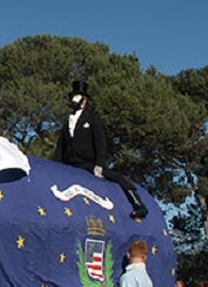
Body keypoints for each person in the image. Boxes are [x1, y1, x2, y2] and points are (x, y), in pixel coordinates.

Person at [53, 80, 147, 219]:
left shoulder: (93, 120)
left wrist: (99, 164)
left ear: (85, 100)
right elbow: (60, 146)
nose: (73, 99)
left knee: (116, 177)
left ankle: (137, 203)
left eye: (77, 96)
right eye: (73, 96)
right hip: (69, 163)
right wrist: (54, 165)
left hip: (87, 163)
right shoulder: (67, 121)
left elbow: (100, 142)